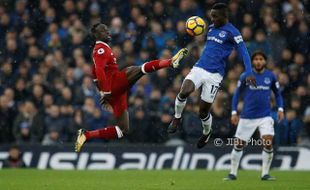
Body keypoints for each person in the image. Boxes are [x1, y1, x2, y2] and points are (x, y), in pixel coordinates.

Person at [75, 23, 188, 152]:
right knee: (138, 69)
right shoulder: (101, 49)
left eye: (107, 29)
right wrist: (106, 92)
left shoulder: (98, 50)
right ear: (97, 35)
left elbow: (94, 73)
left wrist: (102, 92)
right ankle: (170, 62)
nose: (108, 32)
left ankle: (86, 135)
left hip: (115, 92)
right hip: (113, 84)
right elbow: (99, 71)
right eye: (104, 31)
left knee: (123, 130)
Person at [168, 3, 257, 148]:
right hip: (199, 68)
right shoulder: (209, 28)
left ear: (224, 16)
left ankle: (207, 133)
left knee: (202, 112)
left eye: (215, 16)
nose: (213, 19)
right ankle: (176, 118)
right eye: (211, 16)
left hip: (215, 75)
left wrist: (249, 72)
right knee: (183, 91)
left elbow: (244, 52)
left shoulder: (233, 32)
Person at [224, 51, 284, 181]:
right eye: (256, 59)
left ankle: (265, 174)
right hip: (247, 116)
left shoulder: (271, 76)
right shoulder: (246, 75)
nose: (258, 61)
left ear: (265, 61)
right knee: (239, 144)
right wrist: (234, 112)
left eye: (261, 59)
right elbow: (236, 94)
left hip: (265, 116)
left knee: (268, 142)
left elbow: (278, 94)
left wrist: (280, 109)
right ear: (252, 62)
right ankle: (232, 173)